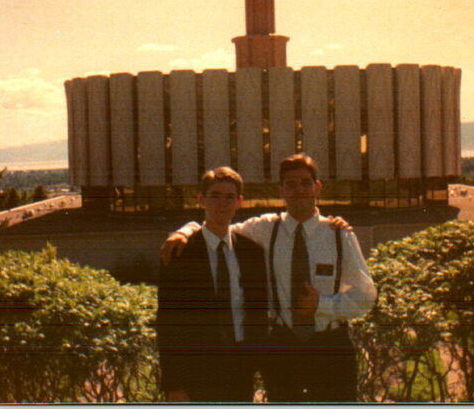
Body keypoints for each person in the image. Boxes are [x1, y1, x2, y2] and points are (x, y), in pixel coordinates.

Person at [161, 154, 377, 402]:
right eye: (291, 184)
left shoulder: (338, 235)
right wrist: (185, 230)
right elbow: (218, 226)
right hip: (283, 348)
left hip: (331, 347)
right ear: (281, 190)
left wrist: (323, 305)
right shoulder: (264, 228)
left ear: (318, 187)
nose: (299, 190)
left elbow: (365, 295)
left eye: (306, 183)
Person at [156, 167, 269, 403]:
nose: (222, 204)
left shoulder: (252, 253)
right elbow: (169, 324)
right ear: (201, 200)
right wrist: (175, 385)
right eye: (215, 195)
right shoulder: (180, 253)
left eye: (229, 197)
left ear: (239, 202)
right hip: (196, 371)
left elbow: (257, 314)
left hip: (240, 368)